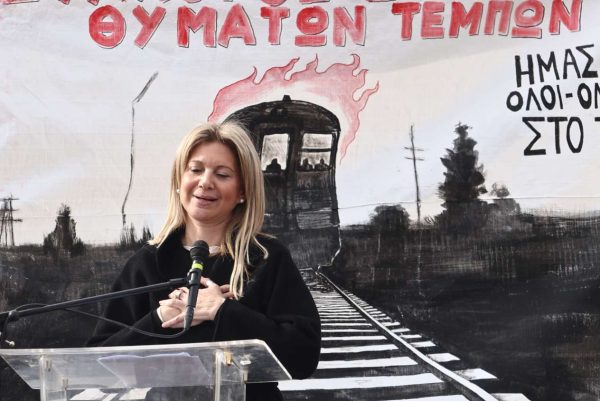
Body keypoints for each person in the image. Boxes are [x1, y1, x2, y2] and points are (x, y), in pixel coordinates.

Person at [87, 121, 321, 401]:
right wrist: (159, 319)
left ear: (243, 191)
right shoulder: (148, 262)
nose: (205, 182)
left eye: (222, 174)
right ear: (179, 181)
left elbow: (303, 357)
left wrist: (222, 311)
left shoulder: (266, 258)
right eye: (195, 170)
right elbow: (98, 365)